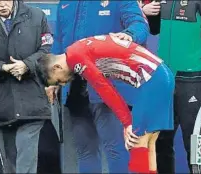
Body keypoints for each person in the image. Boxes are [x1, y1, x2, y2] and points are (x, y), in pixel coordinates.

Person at [37, 34, 174, 173]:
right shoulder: (76, 48)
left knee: (136, 142)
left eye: (59, 81)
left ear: (56, 67)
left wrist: (127, 123)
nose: (64, 83)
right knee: (148, 142)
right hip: (162, 74)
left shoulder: (76, 58)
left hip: (150, 79)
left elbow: (106, 90)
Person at [52, 1, 149, 173]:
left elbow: (139, 24)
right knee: (85, 152)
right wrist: (52, 80)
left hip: (109, 88)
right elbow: (58, 43)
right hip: (74, 90)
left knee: (116, 150)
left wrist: (129, 35)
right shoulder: (65, 3)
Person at [0, 0, 61, 173]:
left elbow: (46, 50)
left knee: (25, 163)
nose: (2, 4)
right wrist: (2, 68)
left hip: (31, 102)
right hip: (1, 105)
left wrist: (27, 65)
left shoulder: (36, 16)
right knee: (10, 166)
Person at [140, 0, 201, 173]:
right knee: (160, 142)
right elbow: (155, 29)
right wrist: (148, 12)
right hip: (164, 82)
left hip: (192, 83)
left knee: (195, 147)